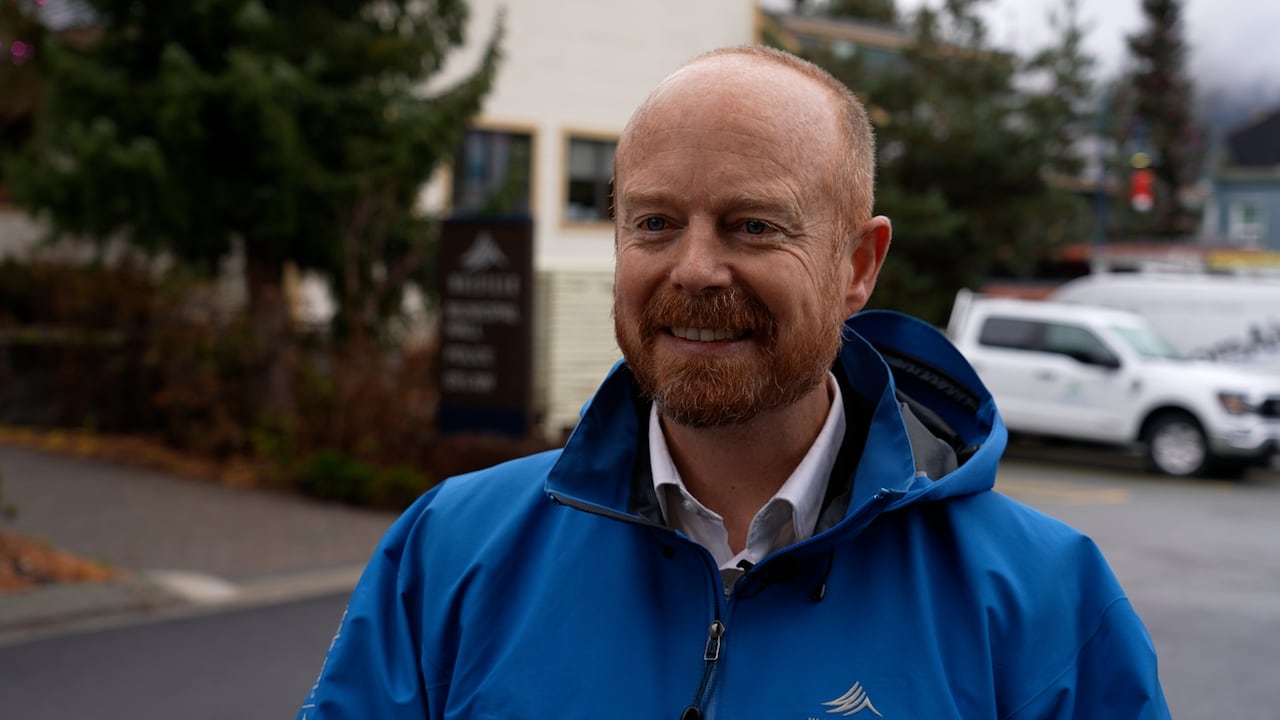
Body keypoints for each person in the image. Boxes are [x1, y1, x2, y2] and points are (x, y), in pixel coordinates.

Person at [298, 45, 1171, 719]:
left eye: (752, 226)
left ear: (857, 265)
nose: (695, 269)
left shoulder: (1044, 598)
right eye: (654, 222)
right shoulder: (450, 554)